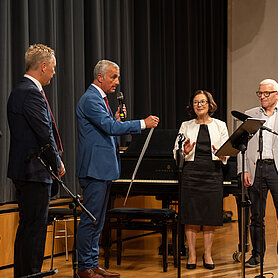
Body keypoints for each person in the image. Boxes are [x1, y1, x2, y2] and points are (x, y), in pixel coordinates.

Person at [76, 59, 159, 278]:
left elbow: (106, 126)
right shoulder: (91, 99)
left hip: (102, 170)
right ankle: (84, 267)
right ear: (100, 77)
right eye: (113, 77)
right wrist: (142, 123)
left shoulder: (100, 99)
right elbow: (110, 128)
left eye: (118, 77)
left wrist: (113, 119)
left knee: (99, 220)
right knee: (91, 219)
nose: (117, 82)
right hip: (94, 170)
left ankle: (93, 264)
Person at [7, 44, 65, 277]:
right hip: (34, 171)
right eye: (52, 67)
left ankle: (24, 274)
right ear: (43, 66)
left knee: (28, 228)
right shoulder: (31, 93)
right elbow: (44, 133)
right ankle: (30, 274)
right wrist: (57, 163)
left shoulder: (18, 90)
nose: (53, 72)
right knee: (35, 230)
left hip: (24, 171)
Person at [173, 90, 229, 270]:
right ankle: (191, 255)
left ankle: (208, 254)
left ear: (209, 104)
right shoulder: (186, 125)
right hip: (191, 174)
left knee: (210, 216)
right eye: (196, 102)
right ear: (192, 106)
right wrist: (185, 151)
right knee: (191, 215)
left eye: (203, 102)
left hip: (213, 173)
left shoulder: (220, 125)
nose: (199, 105)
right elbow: (176, 151)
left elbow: (227, 150)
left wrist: (221, 153)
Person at [237, 78, 278, 267]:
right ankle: (257, 255)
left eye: (266, 93)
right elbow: (239, 144)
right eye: (259, 93)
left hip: (276, 170)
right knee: (256, 216)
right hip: (256, 169)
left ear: (276, 94)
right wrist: (243, 168)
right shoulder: (250, 115)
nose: (262, 96)